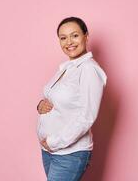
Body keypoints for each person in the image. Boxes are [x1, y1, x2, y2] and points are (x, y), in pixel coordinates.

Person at [36, 17, 107, 181]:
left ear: (86, 36)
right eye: (63, 38)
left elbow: (87, 116)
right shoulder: (67, 68)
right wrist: (41, 105)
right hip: (50, 152)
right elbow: (55, 97)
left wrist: (54, 142)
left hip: (70, 154)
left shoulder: (89, 69)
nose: (69, 42)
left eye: (74, 35)